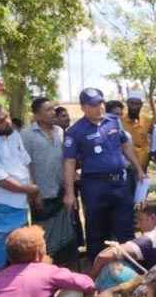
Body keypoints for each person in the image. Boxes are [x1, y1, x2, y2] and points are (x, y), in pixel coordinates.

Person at [62, 88, 146, 261]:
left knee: (125, 228)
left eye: (101, 103)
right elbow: (69, 162)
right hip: (94, 186)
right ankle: (98, 270)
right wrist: (69, 193)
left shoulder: (114, 121)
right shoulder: (75, 131)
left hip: (120, 183)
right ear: (83, 107)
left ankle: (130, 267)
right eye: (93, 105)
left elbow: (125, 146)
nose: (99, 107)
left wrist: (138, 169)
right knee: (96, 230)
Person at [0, 102, 40, 271]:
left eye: (7, 117)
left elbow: (25, 163)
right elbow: (2, 180)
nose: (7, 122)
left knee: (23, 253)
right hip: (1, 209)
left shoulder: (13, 134)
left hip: (21, 205)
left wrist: (32, 191)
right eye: (0, 121)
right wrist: (29, 190)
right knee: (1, 258)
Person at [21, 97, 77, 263]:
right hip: (41, 192)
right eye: (48, 110)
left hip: (61, 189)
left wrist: (69, 189)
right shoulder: (27, 135)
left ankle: (65, 263)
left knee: (66, 230)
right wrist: (34, 191)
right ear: (37, 115)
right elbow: (27, 164)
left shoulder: (60, 131)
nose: (53, 112)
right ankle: (46, 263)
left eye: (53, 109)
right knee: (45, 232)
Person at [89, 201, 156, 278]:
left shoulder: (151, 239)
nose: (138, 225)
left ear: (152, 218)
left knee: (112, 267)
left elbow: (103, 256)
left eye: (141, 220)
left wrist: (91, 278)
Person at [121, 90, 155, 192]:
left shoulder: (147, 120)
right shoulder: (120, 120)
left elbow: (155, 136)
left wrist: (150, 153)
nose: (134, 106)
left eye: (137, 104)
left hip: (142, 163)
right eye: (132, 103)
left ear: (141, 105)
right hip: (125, 164)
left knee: (140, 192)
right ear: (127, 104)